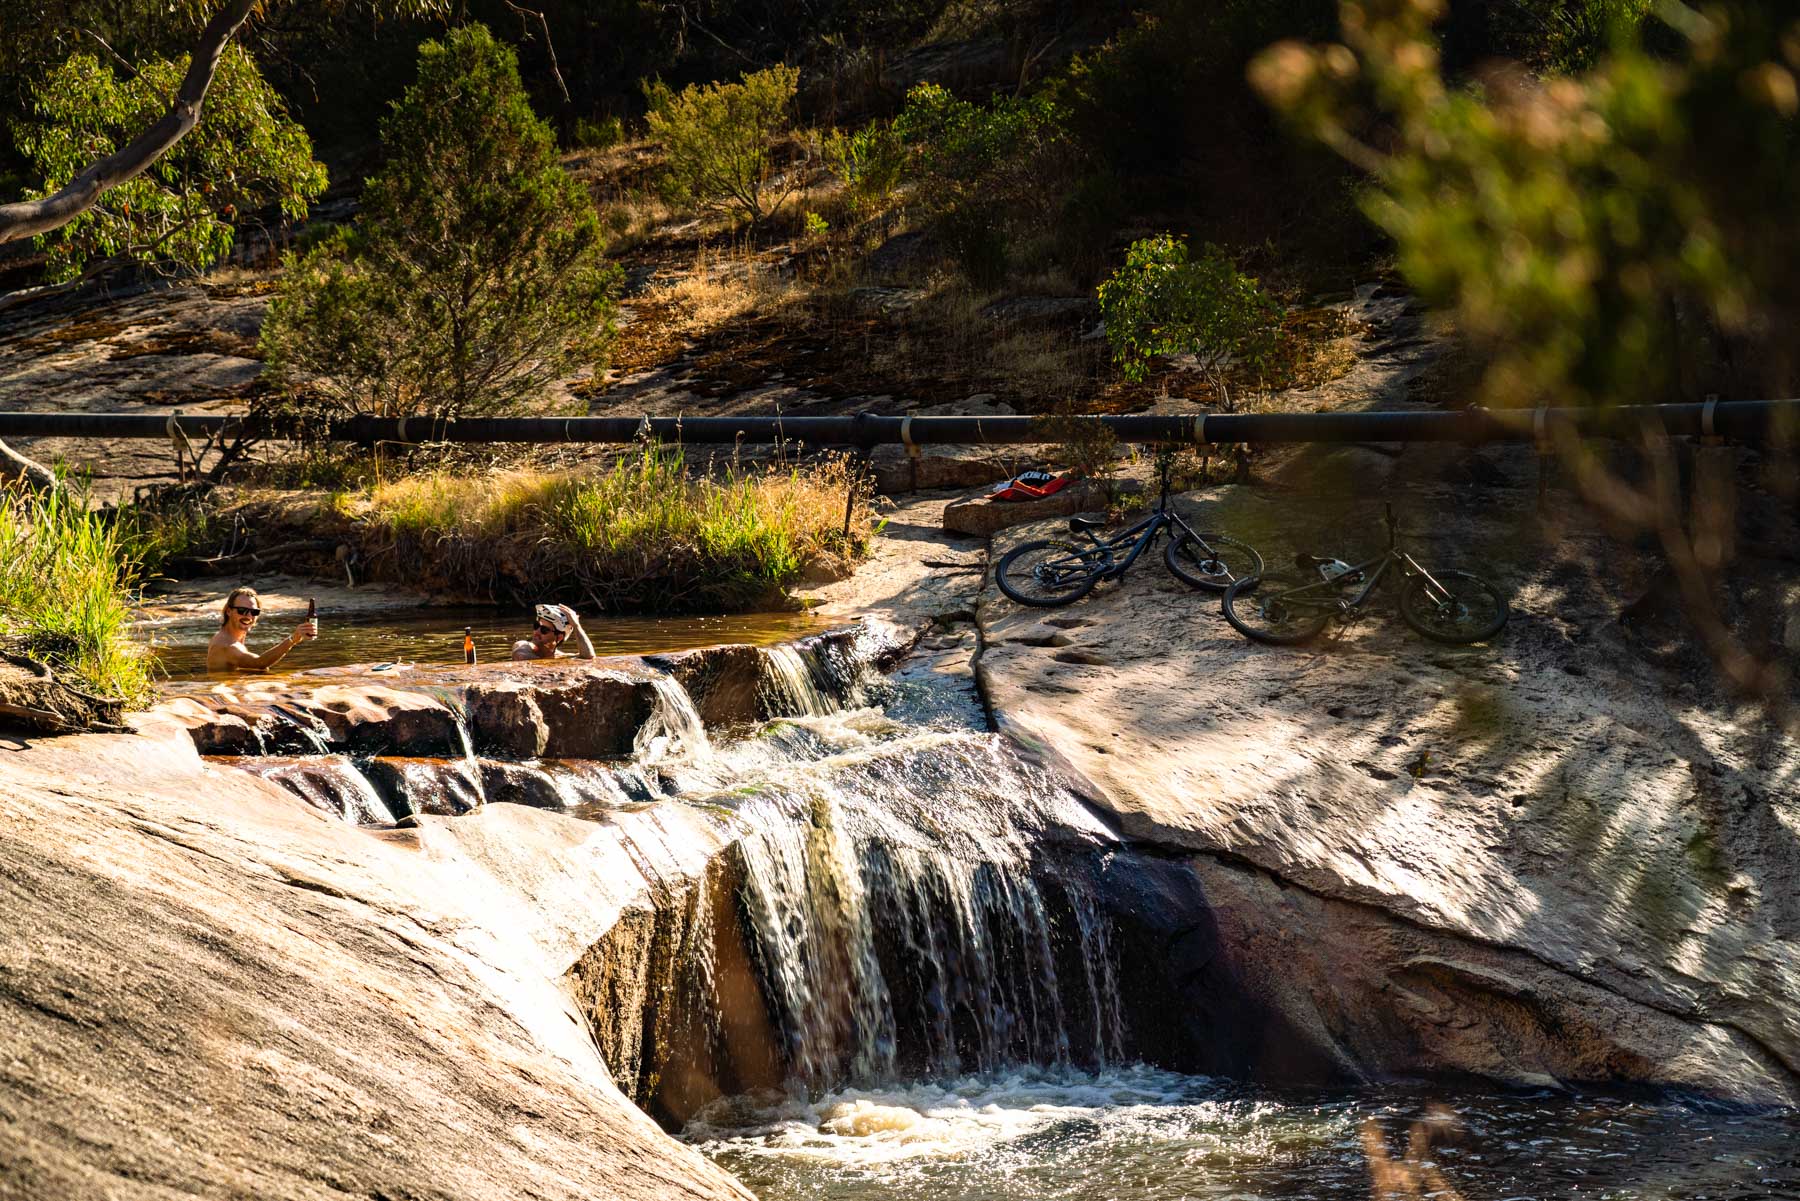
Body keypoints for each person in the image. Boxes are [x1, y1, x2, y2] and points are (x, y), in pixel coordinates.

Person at [205, 587, 318, 672]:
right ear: (229, 611)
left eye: (254, 612)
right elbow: (260, 663)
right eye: (242, 610)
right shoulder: (226, 645)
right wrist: (293, 639)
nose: (248, 616)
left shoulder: (234, 634)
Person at [512, 603, 595, 660]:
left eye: (544, 630)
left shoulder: (561, 656)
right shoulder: (523, 645)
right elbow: (520, 656)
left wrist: (576, 626)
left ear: (559, 637)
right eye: (536, 626)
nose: (537, 631)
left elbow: (589, 657)